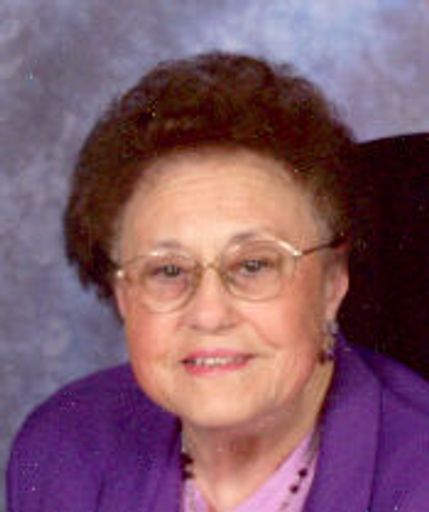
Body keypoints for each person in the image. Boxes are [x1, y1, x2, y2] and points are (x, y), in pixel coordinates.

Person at [7, 51, 429, 512]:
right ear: (122, 293)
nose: (209, 314)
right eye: (168, 270)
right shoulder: (61, 449)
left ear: (333, 282)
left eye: (254, 265)